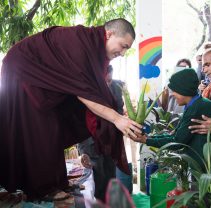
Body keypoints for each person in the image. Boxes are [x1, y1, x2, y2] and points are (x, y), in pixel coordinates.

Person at [0, 18, 142, 200]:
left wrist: (118, 114)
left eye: (126, 49)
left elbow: (96, 91)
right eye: (123, 46)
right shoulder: (82, 45)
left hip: (44, 80)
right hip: (22, 72)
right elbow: (85, 93)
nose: (122, 53)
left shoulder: (95, 48)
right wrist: (116, 119)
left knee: (56, 126)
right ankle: (44, 187)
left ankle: (58, 181)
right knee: (42, 128)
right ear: (109, 34)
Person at [133, 68, 211, 169]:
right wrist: (149, 138)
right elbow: (176, 134)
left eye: (175, 91)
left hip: (205, 168)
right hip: (202, 164)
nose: (172, 94)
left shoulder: (196, 109)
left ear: (184, 90)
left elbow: (177, 142)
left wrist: (146, 140)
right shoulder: (197, 104)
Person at [78, 65, 124, 201]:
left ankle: (110, 201)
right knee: (96, 175)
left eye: (110, 80)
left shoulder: (117, 87)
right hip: (89, 138)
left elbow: (119, 110)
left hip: (110, 138)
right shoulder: (86, 88)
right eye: (105, 81)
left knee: (110, 173)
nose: (108, 84)